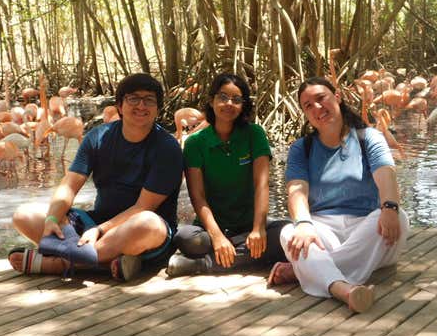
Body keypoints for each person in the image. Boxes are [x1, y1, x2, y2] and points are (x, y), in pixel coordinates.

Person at [8, 73, 183, 281]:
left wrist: (99, 231)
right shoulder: (98, 136)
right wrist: (53, 218)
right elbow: (70, 185)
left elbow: (143, 207)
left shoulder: (167, 148)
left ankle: (61, 264)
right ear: (120, 106)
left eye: (149, 100)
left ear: (157, 109)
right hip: (95, 223)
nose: (141, 105)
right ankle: (108, 262)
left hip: (143, 232)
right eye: (133, 98)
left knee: (147, 223)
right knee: (24, 215)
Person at [271, 76, 409, 313]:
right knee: (290, 232)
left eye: (321, 98)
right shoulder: (301, 148)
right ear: (305, 114)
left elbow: (386, 174)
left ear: (337, 97)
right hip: (324, 229)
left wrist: (389, 207)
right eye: (308, 105)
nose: (317, 108)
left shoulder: (369, 138)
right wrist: (303, 223)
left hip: (368, 231)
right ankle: (343, 290)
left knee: (400, 217)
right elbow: (296, 190)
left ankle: (303, 270)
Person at [168, 73, 289, 277]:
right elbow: (197, 196)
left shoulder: (255, 134)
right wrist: (216, 236)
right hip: (210, 229)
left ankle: (203, 264)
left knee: (287, 232)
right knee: (187, 239)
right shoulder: (195, 143)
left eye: (236, 99)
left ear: (243, 105)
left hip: (249, 225)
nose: (229, 104)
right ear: (211, 100)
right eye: (223, 97)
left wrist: (258, 229)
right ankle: (242, 252)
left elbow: (261, 185)